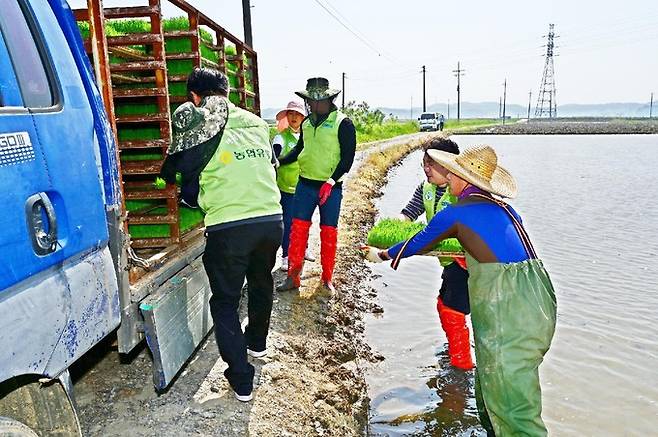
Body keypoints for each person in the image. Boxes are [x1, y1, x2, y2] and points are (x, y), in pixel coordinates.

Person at [362, 145, 557, 436]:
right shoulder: (505, 208)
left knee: (515, 409)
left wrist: (379, 255)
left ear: (463, 179)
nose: (447, 176)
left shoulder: (456, 214)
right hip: (539, 302)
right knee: (493, 384)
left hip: (509, 307)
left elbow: (417, 242)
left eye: (452, 172)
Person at [166, 67, 282, 402]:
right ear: (227, 92)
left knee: (226, 301)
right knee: (261, 280)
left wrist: (190, 194)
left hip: (230, 226)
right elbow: (268, 165)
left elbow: (188, 185)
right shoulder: (257, 122)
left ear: (194, 97)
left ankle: (242, 379)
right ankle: (257, 343)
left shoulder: (201, 123)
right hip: (271, 218)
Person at [398, 138, 473, 370]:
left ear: (449, 165)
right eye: (424, 163)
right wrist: (396, 230)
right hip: (449, 264)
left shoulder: (462, 192)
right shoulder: (425, 189)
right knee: (446, 305)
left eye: (432, 163)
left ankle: (462, 365)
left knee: (451, 308)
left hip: (466, 264)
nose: (426, 169)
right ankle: (457, 350)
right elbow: (409, 213)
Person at [277, 77, 356, 292]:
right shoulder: (307, 122)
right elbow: (299, 149)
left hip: (331, 187)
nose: (310, 105)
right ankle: (293, 277)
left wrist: (331, 182)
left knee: (328, 231)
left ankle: (327, 277)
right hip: (305, 185)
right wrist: (280, 160)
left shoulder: (343, 123)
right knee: (298, 230)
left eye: (314, 101)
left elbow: (348, 158)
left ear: (328, 100)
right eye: (308, 100)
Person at [272, 100, 314, 270]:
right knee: (288, 223)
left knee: (305, 220)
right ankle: (285, 255)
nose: (294, 117)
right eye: (290, 113)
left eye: (297, 114)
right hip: (286, 189)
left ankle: (304, 248)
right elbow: (274, 158)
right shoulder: (280, 138)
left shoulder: (309, 137)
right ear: (286, 117)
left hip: (305, 187)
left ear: (303, 117)